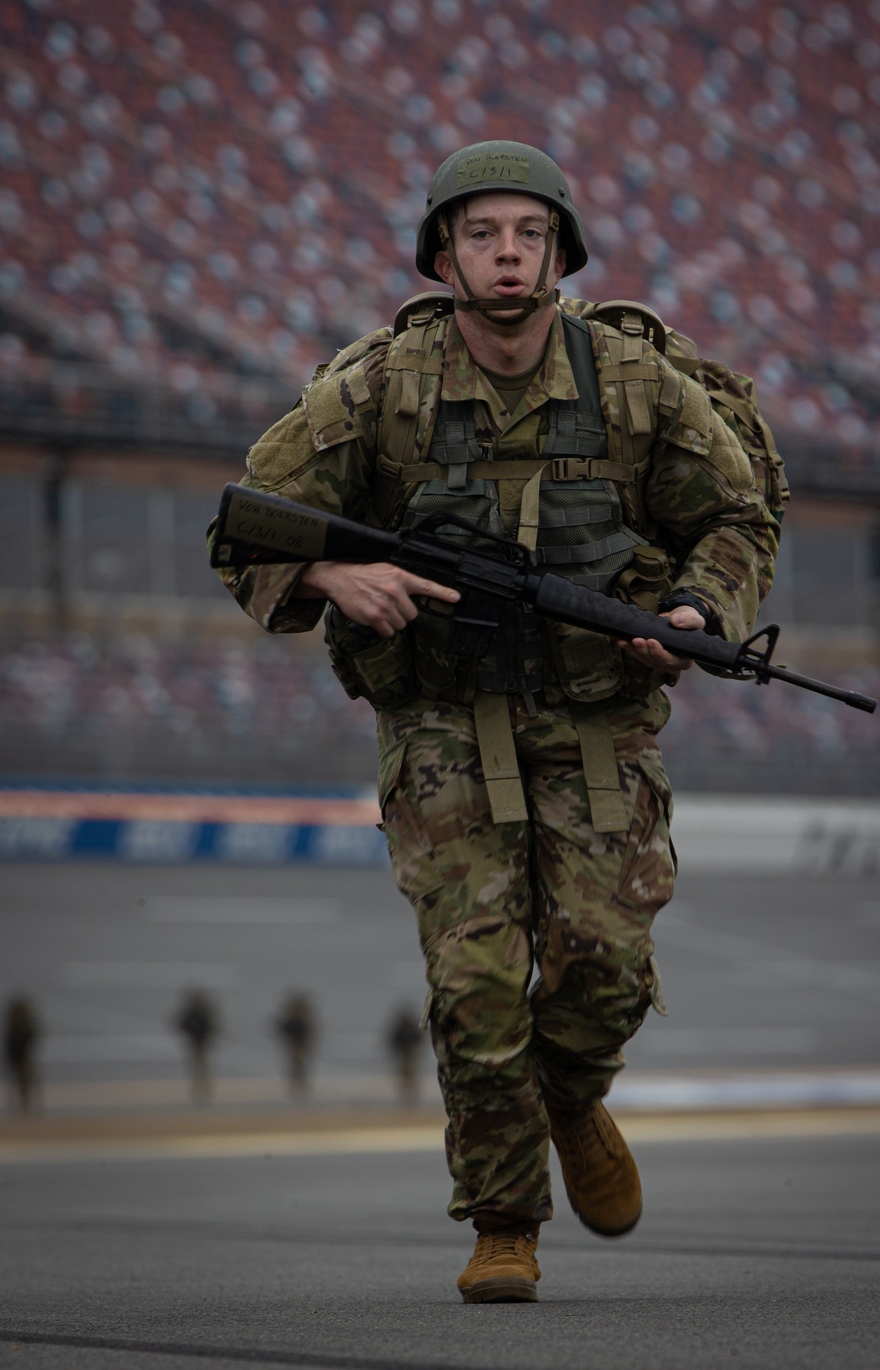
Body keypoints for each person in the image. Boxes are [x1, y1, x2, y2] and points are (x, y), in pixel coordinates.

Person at [214, 140, 781, 1302]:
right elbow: (244, 529)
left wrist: (686, 609)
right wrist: (332, 581)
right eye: (481, 233)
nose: (507, 253)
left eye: (528, 232)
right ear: (441, 256)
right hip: (439, 721)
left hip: (595, 721)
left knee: (602, 970)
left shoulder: (635, 386)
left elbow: (735, 518)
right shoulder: (376, 390)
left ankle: (571, 1100)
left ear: (562, 252)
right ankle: (503, 1222)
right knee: (474, 988)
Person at [173, 989, 219, 1103]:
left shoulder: (203, 1013)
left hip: (202, 1044)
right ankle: (197, 1090)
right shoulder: (193, 1014)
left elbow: (211, 1027)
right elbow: (182, 1024)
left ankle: (204, 1090)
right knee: (196, 1069)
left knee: (203, 1069)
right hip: (195, 1044)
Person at [274, 992, 317, 1097]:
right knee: (296, 1064)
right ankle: (297, 1083)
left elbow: (309, 1030)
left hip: (299, 1043)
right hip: (295, 1043)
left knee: (298, 1064)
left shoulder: (300, 1018)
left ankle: (298, 1083)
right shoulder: (295, 1017)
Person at [4, 995, 42, 1112]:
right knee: (21, 1080)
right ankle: (24, 1102)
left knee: (27, 1079)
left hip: (22, 1055)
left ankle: (27, 1102)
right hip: (17, 1055)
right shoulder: (15, 1024)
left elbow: (31, 1035)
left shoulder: (23, 1024)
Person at [385, 1004, 424, 1104]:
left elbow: (418, 1038)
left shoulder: (407, 1028)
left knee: (409, 1076)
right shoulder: (406, 1028)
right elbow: (394, 1040)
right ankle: (407, 1096)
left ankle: (410, 1096)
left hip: (409, 1054)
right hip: (405, 1054)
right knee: (406, 1076)